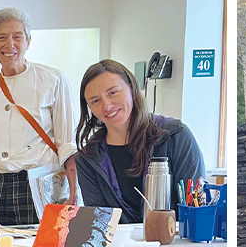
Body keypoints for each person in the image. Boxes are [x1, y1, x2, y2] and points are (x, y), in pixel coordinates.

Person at [0, 8, 79, 225]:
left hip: (37, 183)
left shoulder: (53, 80)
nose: (10, 45)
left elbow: (67, 143)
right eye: (1, 38)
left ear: (28, 41)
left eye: (17, 37)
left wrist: (73, 194)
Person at [75, 60, 206, 223]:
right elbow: (100, 224)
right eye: (95, 101)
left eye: (113, 93)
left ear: (131, 87)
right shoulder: (88, 158)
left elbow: (195, 207)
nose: (107, 106)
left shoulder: (176, 136)